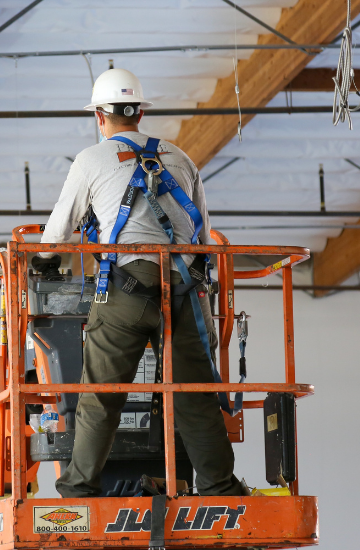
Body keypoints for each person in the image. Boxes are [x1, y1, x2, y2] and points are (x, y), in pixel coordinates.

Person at [34, 68, 246, 498]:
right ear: (139, 112)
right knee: (195, 398)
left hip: (124, 290)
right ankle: (220, 488)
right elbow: (205, 237)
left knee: (101, 395)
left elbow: (55, 236)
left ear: (100, 117)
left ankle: (78, 490)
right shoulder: (182, 158)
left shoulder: (91, 160)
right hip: (186, 290)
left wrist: (43, 260)